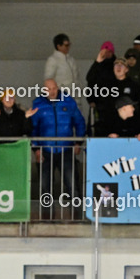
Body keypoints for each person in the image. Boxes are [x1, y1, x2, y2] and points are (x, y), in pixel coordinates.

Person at [31, 78, 86, 214]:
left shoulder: (68, 101)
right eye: (48, 89)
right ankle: (46, 219)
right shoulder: (37, 104)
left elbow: (79, 122)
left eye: (54, 88)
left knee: (73, 185)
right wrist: (36, 149)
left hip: (66, 149)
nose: (52, 91)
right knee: (45, 188)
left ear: (58, 88)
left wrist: (78, 142)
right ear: (44, 90)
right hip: (45, 151)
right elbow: (33, 128)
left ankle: (78, 216)